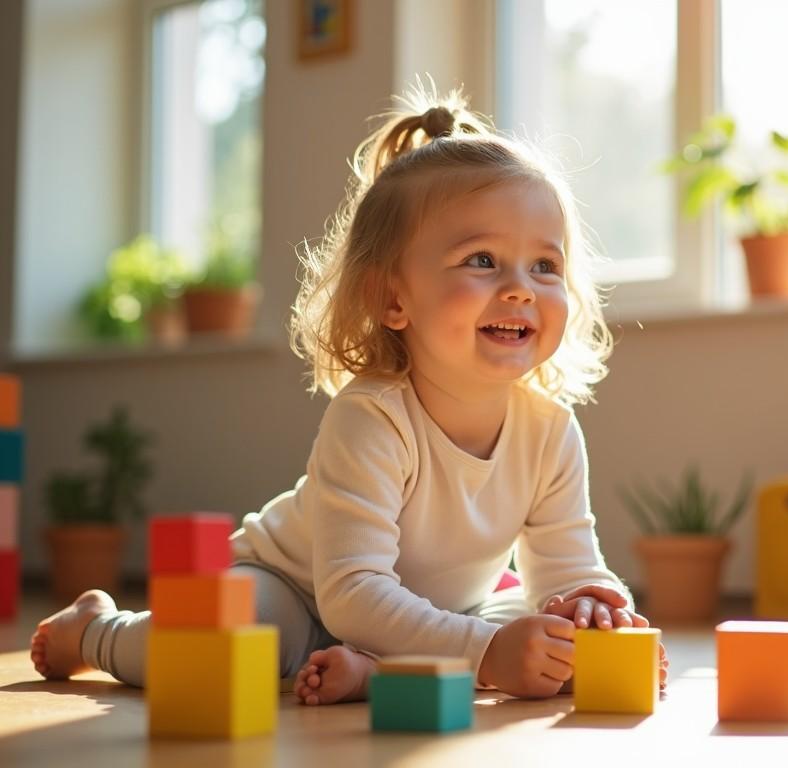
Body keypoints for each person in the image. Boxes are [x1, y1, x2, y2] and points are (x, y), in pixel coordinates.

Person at [30, 82, 669, 705]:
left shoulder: (550, 430)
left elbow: (567, 566)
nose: (521, 287)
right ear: (393, 298)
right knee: (234, 635)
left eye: (546, 265)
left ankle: (372, 671)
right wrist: (487, 654)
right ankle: (95, 629)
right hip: (297, 588)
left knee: (522, 607)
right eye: (481, 260)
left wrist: (594, 610)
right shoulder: (373, 415)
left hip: (442, 605)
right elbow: (353, 595)